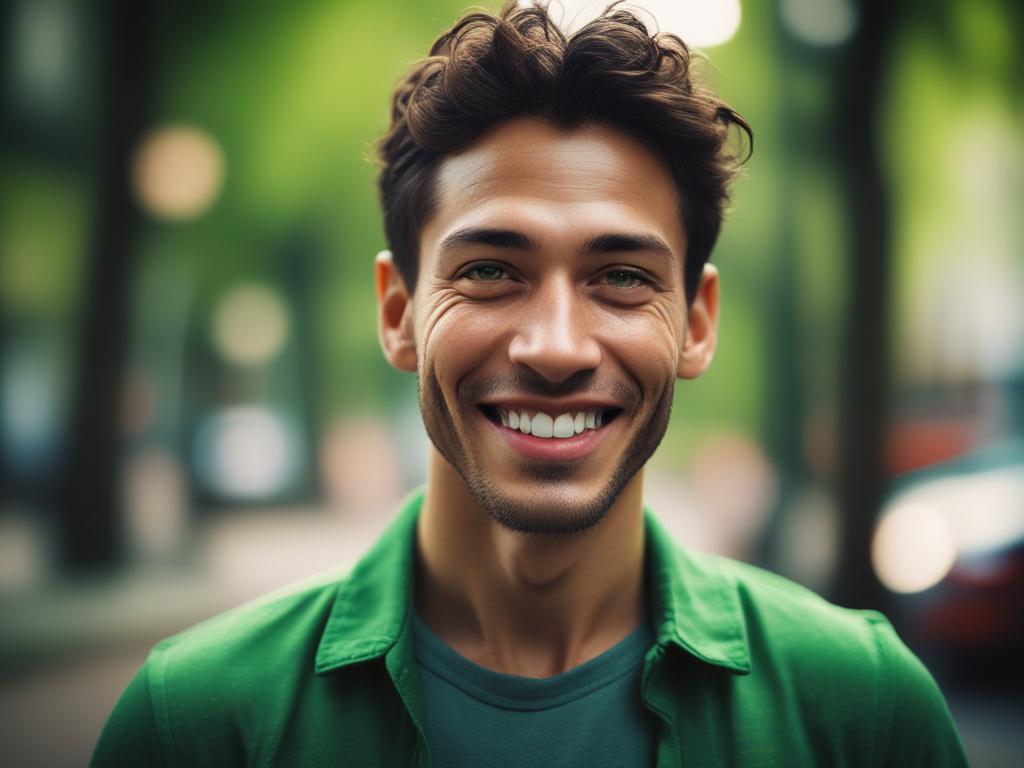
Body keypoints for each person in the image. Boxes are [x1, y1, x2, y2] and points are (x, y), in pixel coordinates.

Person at [92, 2, 968, 766]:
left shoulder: (865, 710)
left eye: (622, 277)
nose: (556, 348)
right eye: (489, 271)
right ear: (398, 313)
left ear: (697, 324)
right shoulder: (194, 724)